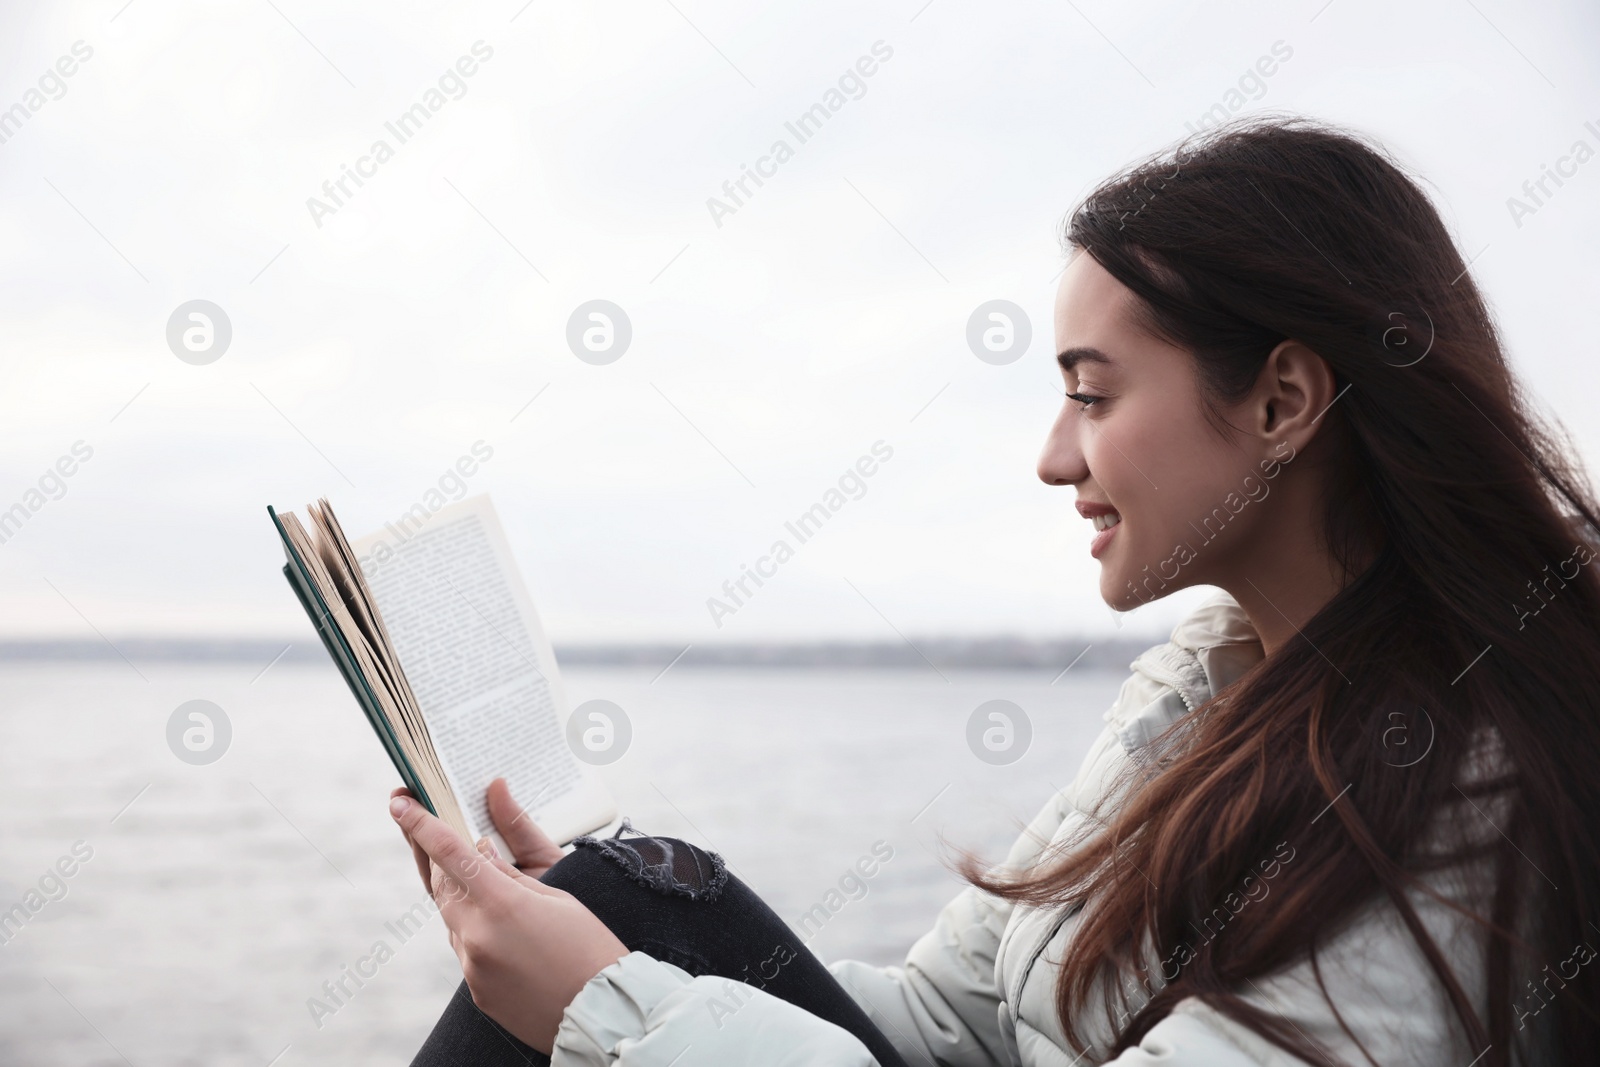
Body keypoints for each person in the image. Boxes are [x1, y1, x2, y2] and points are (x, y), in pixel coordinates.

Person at [389, 115, 1600, 1066]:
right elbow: (950, 1025)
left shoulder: (1452, 782)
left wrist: (611, 1014)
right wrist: (607, 949)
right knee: (621, 882)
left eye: (1093, 391)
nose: (1052, 455)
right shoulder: (1206, 689)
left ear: (1282, 402)